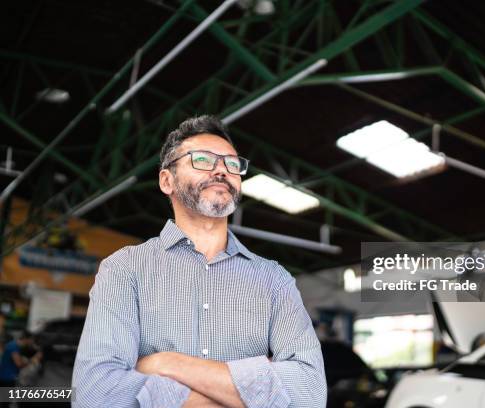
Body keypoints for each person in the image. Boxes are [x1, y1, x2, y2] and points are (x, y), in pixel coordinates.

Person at [72, 115, 326, 408]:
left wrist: (167, 363)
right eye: (203, 160)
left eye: (232, 164)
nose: (221, 170)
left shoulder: (274, 280)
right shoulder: (124, 270)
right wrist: (258, 392)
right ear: (167, 180)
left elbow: (310, 394)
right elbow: (96, 394)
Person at [0, 331, 43, 408]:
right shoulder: (13, 347)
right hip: (7, 378)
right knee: (6, 403)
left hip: (9, 377)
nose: (32, 342)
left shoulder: (15, 346)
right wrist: (32, 359)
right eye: (32, 340)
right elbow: (19, 364)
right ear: (28, 339)